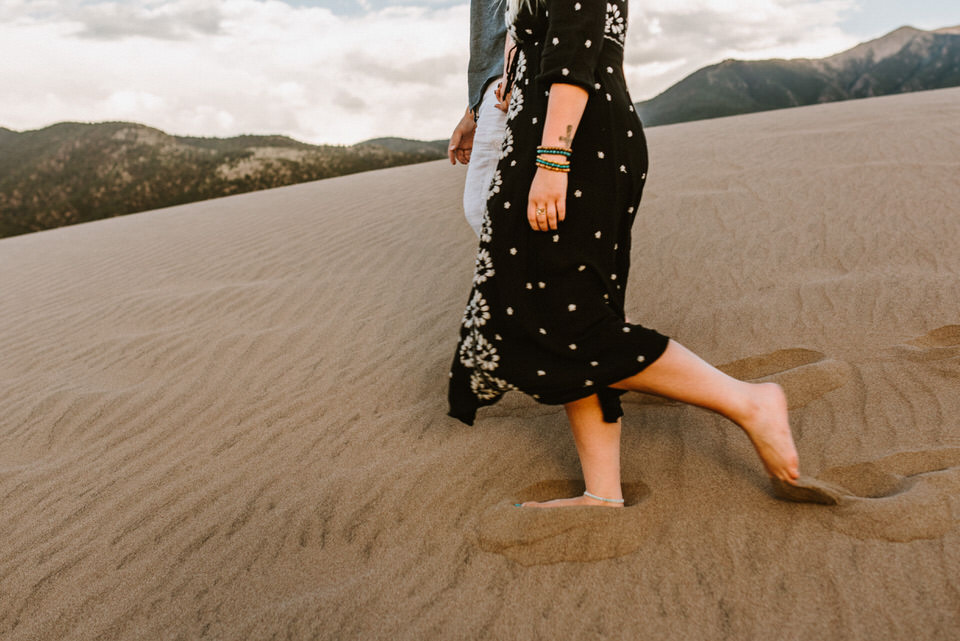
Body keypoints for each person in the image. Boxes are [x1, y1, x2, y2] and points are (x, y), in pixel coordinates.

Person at [448, 0, 800, 508]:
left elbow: (573, 48)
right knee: (563, 308)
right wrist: (482, 110)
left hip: (574, 142)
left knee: (571, 321)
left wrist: (551, 161)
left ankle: (750, 402)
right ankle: (602, 491)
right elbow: (526, 47)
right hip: (549, 136)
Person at [448, 0, 509, 236]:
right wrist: (473, 112)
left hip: (513, 83)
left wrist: (519, 72)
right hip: (497, 88)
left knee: (485, 210)